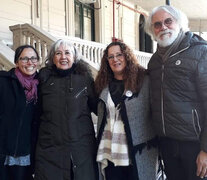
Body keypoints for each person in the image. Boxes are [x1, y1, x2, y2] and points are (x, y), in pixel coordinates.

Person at [145, 5, 207, 180]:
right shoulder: (154, 61)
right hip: (167, 144)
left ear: (179, 23)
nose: (163, 27)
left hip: (194, 145)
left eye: (168, 21)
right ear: (152, 30)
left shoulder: (200, 52)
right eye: (157, 24)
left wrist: (206, 150)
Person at [34, 39, 99, 180]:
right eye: (58, 53)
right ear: (52, 58)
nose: (63, 57)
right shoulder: (43, 79)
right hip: (50, 150)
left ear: (74, 57)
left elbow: (99, 107)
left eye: (67, 53)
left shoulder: (85, 79)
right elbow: (35, 113)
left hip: (81, 150)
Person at [94, 41, 158, 180]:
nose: (115, 59)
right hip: (110, 151)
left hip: (138, 153)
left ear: (127, 56)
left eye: (119, 55)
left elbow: (156, 113)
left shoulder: (144, 81)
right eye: (110, 57)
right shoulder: (102, 84)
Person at [0, 45, 40, 180]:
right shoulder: (4, 81)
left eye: (33, 58)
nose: (30, 63)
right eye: (25, 59)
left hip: (26, 154)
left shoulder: (42, 85)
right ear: (16, 62)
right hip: (3, 153)